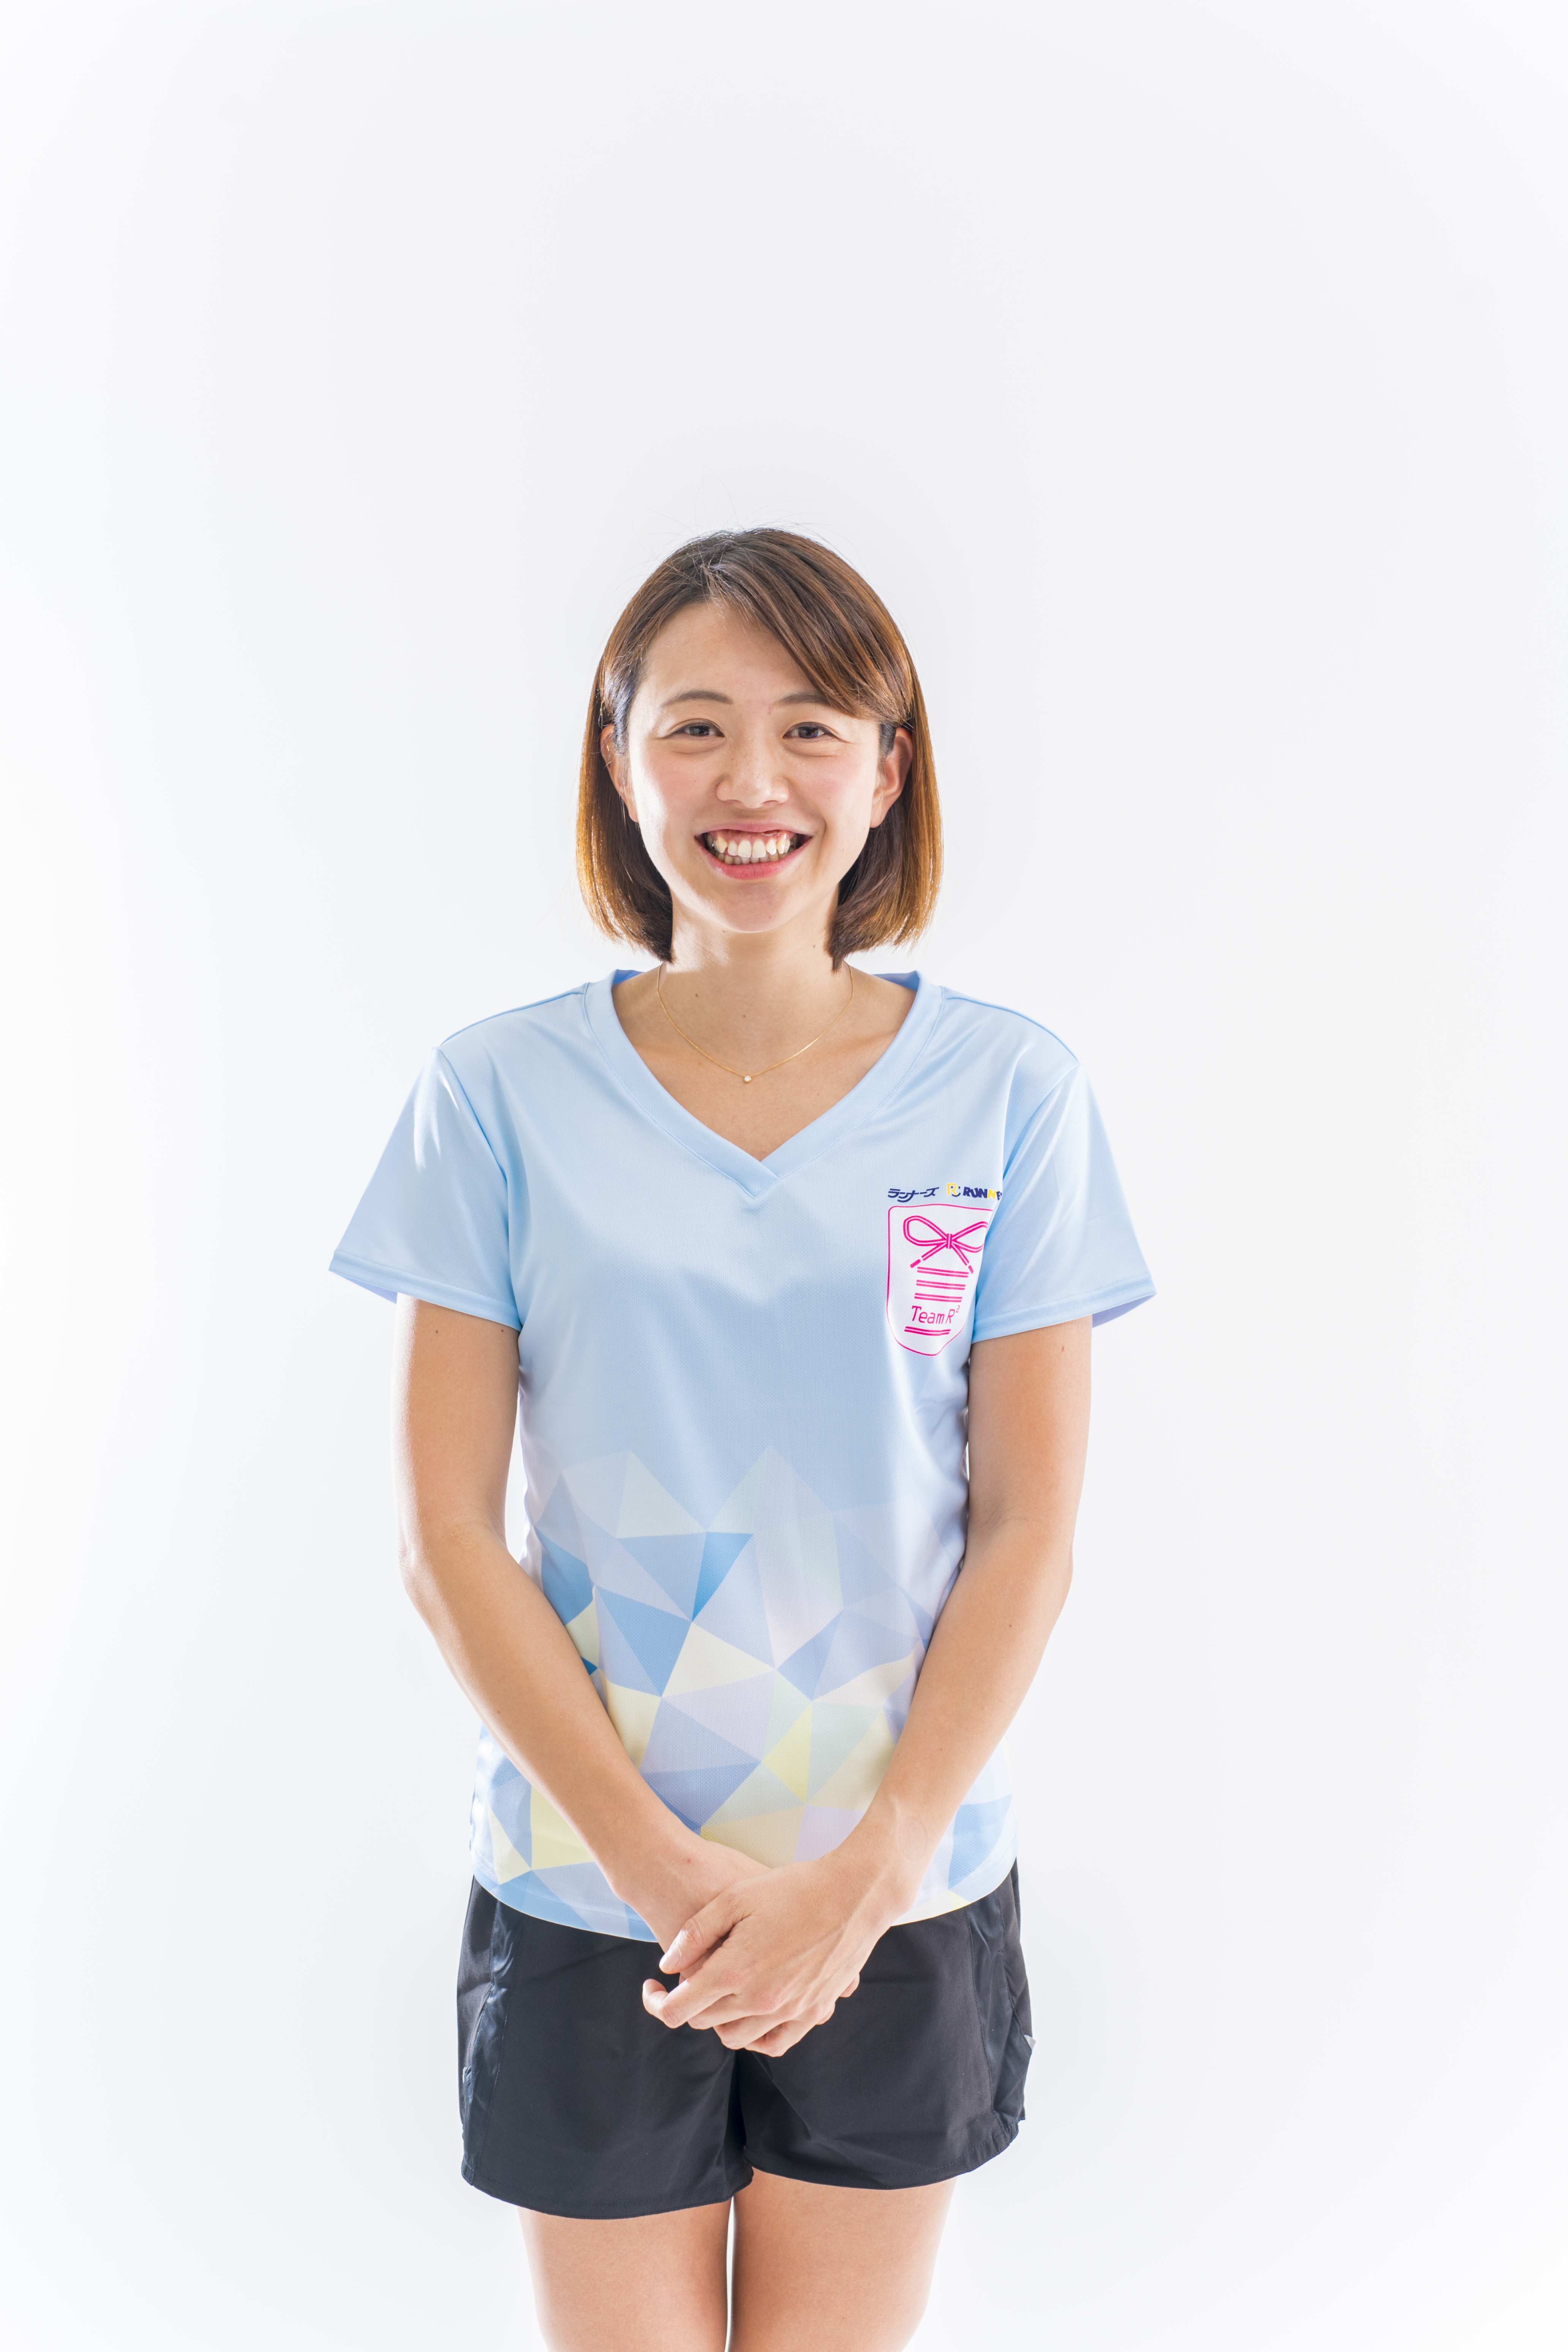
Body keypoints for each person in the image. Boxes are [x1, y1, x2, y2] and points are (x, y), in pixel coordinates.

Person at [330, 528, 1153, 2352]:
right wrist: (658, 1871)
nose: (752, 781)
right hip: (587, 1885)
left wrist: (869, 1876)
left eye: (811, 728)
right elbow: (446, 1536)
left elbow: (1029, 1527)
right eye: (695, 727)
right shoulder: (497, 1096)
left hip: (899, 1891)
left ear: (889, 770)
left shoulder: (1012, 1094)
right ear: (619, 765)